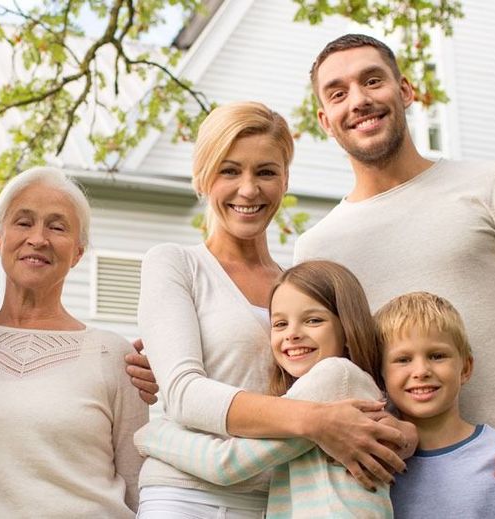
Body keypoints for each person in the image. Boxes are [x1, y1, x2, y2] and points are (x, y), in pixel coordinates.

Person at [294, 34, 495, 511]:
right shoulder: (317, 247)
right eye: (337, 93)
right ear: (324, 120)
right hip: (383, 499)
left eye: (372, 80)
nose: (358, 100)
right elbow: (299, 371)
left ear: (405, 91)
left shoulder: (490, 185)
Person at [136, 101, 410, 518]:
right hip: (188, 494)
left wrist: (402, 431)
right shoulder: (176, 264)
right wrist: (316, 421)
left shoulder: (297, 286)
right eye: (229, 171)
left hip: (279, 500)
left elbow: (350, 385)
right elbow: (184, 394)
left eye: (266, 172)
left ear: (284, 180)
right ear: (202, 177)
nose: (249, 190)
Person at [136, 260, 414, 518]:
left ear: (349, 329)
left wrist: (152, 434)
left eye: (313, 320)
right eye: (280, 323)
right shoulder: (352, 382)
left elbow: (226, 465)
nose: (292, 333)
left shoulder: (334, 377)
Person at [0, 166, 145, 517]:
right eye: (24, 222)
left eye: (57, 227)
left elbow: (139, 487)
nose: (38, 239)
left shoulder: (114, 355)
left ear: (78, 252)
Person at [377, 292, 495, 518]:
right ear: (381, 375)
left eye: (437, 355)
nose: (421, 371)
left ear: (465, 368)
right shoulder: (375, 465)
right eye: (403, 360)